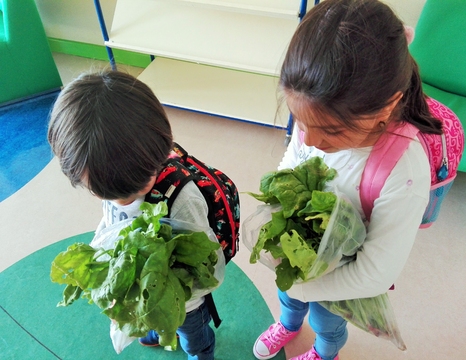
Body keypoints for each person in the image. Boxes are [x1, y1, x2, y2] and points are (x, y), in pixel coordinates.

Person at [252, 1, 443, 359]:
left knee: (327, 321)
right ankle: (290, 323)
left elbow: (374, 272)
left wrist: (308, 288)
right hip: (301, 260)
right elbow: (292, 162)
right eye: (301, 123)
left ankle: (326, 351)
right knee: (287, 298)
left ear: (386, 108)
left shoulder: (403, 172)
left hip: (341, 277)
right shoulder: (316, 113)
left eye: (331, 131)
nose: (309, 140)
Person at [48, 70, 216, 360]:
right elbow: (113, 221)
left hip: (185, 299)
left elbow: (206, 265)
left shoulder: (182, 199)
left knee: (193, 335)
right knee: (152, 317)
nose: (121, 200)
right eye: (105, 193)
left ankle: (201, 352)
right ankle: (155, 325)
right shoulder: (111, 179)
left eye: (135, 187)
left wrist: (169, 289)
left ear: (160, 149)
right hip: (146, 288)